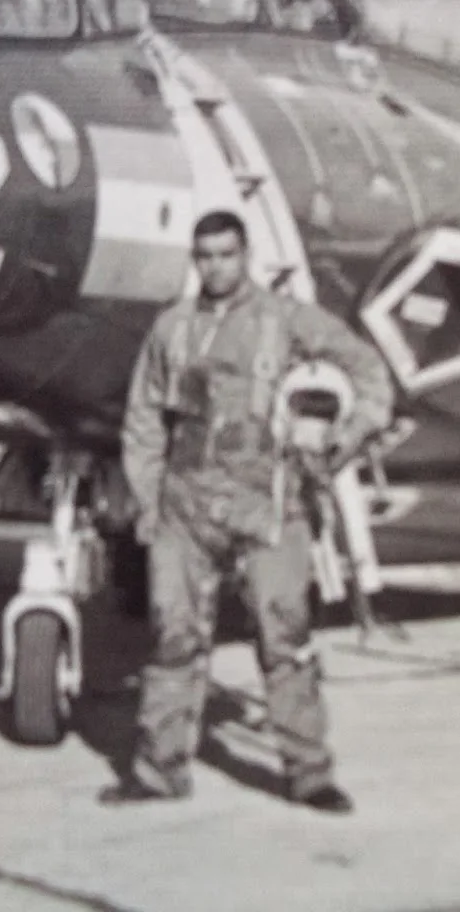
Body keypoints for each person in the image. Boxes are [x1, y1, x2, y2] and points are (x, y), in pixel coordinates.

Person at [101, 210, 393, 813]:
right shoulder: (171, 329)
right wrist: (149, 498)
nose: (215, 266)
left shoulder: (286, 321)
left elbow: (369, 372)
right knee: (173, 637)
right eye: (204, 255)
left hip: (269, 505)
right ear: (194, 259)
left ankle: (309, 773)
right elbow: (144, 417)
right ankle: (159, 771)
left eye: (226, 254)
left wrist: (343, 440)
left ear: (246, 253)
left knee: (284, 635)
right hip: (186, 505)